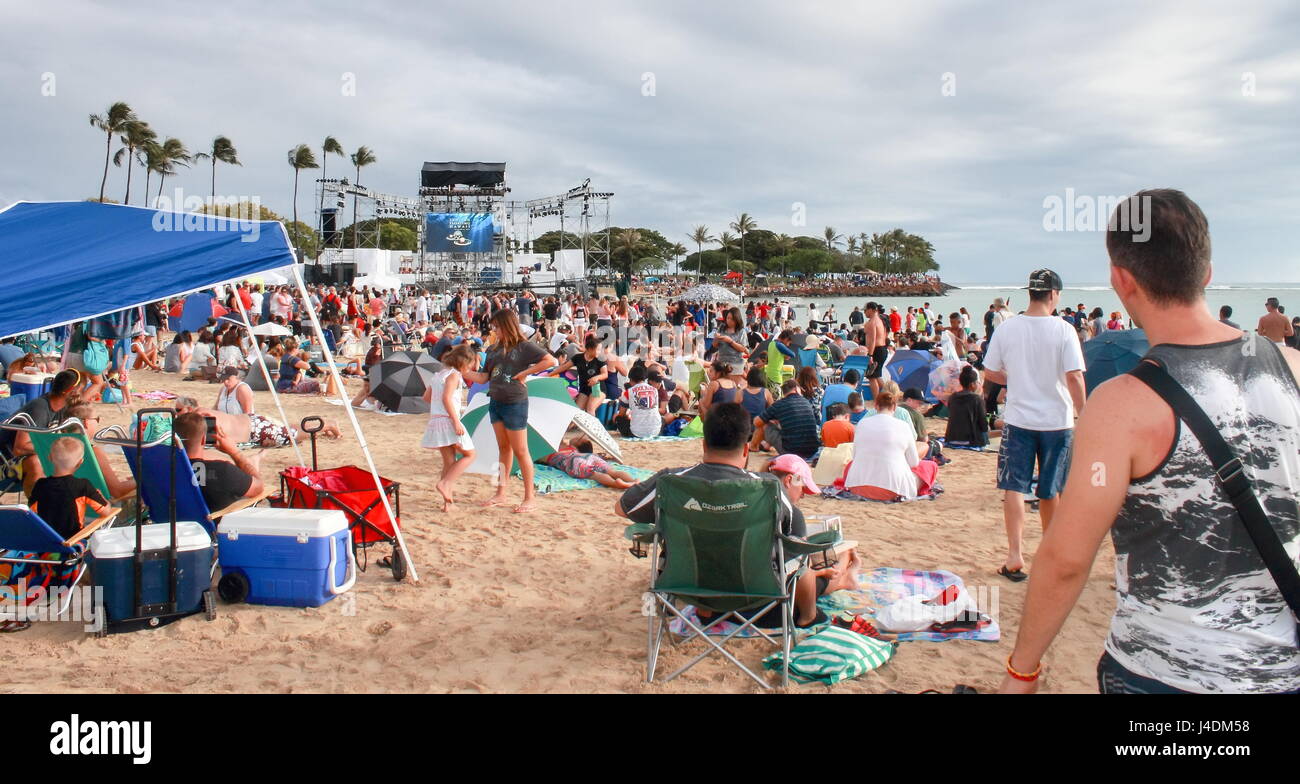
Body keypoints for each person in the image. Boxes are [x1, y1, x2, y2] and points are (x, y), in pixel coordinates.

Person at [1000, 189, 1300, 695]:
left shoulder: (1120, 404)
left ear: (1121, 280)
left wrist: (1022, 671)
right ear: (1206, 273)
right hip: (1281, 668)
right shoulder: (1291, 369)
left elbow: (1068, 559)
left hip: (1162, 671)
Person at [614, 402, 826, 628]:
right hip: (755, 590)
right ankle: (809, 614)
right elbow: (796, 536)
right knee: (800, 551)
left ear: (704, 444)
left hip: (686, 588)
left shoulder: (671, 482)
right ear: (745, 450)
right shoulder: (768, 488)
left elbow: (621, 508)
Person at [982, 268, 1086, 582]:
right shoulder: (1064, 329)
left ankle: (1015, 556)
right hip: (1057, 420)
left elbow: (990, 372)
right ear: (1054, 294)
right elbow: (1074, 377)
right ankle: (1049, 554)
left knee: (1014, 487)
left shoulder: (1008, 328)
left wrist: (1016, 379)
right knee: (1050, 490)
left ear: (1031, 293)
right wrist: (1086, 414)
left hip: (1018, 419)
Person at [458, 308, 558, 514]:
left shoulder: (523, 346)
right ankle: (501, 492)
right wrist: (464, 372)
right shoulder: (493, 349)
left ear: (506, 326)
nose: (495, 330)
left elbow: (550, 361)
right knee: (503, 449)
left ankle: (529, 497)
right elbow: (485, 377)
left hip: (515, 402)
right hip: (495, 400)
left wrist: (525, 373)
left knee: (521, 451)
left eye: (497, 326)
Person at [844, 388, 938, 501]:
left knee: (851, 465)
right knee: (929, 466)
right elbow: (913, 462)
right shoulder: (903, 426)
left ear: (876, 406)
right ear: (894, 407)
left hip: (857, 486)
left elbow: (855, 456)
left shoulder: (862, 424)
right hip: (892, 489)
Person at [0, 369, 80, 496]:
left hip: (26, 464)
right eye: (79, 388)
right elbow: (19, 448)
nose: (80, 392)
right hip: (6, 465)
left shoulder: (61, 407)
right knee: (36, 461)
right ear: (69, 392)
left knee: (78, 455)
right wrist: (55, 448)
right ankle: (39, 509)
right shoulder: (39, 409)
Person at [421, 344, 477, 512]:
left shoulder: (438, 375)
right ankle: (446, 484)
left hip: (436, 421)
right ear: (464, 362)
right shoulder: (454, 375)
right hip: (448, 421)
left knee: (449, 462)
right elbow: (446, 398)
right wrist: (455, 420)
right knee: (470, 454)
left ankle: (448, 502)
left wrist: (440, 406)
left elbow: (427, 397)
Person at [173, 411, 264, 513]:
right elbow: (258, 487)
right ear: (203, 439)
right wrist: (234, 452)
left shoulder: (161, 469)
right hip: (214, 526)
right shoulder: (222, 471)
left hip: (169, 525)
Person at [27, 436, 113, 540]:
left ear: (50, 458)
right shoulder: (83, 486)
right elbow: (105, 512)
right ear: (80, 462)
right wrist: (102, 498)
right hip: (74, 543)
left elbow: (31, 512)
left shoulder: (40, 485)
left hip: (47, 542)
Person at [753, 379, 820, 459]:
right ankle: (766, 445)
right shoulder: (806, 402)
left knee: (765, 424)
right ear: (796, 389)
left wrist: (767, 419)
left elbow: (757, 422)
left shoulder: (779, 404)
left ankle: (753, 446)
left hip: (791, 452)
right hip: (812, 450)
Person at [544, 435, 636, 489]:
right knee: (613, 472)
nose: (578, 436)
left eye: (579, 438)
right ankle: (633, 481)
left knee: (594, 475)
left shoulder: (553, 452)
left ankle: (615, 484)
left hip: (571, 460)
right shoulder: (571, 448)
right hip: (590, 457)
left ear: (579, 445)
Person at [550, 334, 608, 415]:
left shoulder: (600, 358)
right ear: (590, 349)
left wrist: (596, 378)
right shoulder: (578, 357)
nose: (600, 352)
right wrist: (550, 374)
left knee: (590, 408)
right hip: (584, 389)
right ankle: (574, 428)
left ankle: (591, 428)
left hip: (597, 389)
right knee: (576, 412)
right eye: (598, 349)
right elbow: (564, 367)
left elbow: (605, 374)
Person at [943, 367, 992, 448]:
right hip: (971, 440)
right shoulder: (977, 399)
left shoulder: (952, 397)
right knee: (986, 431)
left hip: (951, 437)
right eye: (977, 382)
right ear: (972, 384)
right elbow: (983, 424)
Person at [621, 364, 663, 439]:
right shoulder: (654, 390)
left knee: (618, 419)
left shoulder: (629, 392)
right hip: (656, 431)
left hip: (636, 433)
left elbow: (621, 414)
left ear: (631, 379)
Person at [863, 303, 888, 398]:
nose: (864, 312)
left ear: (871, 310)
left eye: (865, 310)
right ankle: (890, 395)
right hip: (882, 348)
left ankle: (877, 400)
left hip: (876, 350)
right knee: (876, 376)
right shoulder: (881, 320)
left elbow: (872, 340)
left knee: (872, 377)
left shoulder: (872, 322)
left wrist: (870, 355)